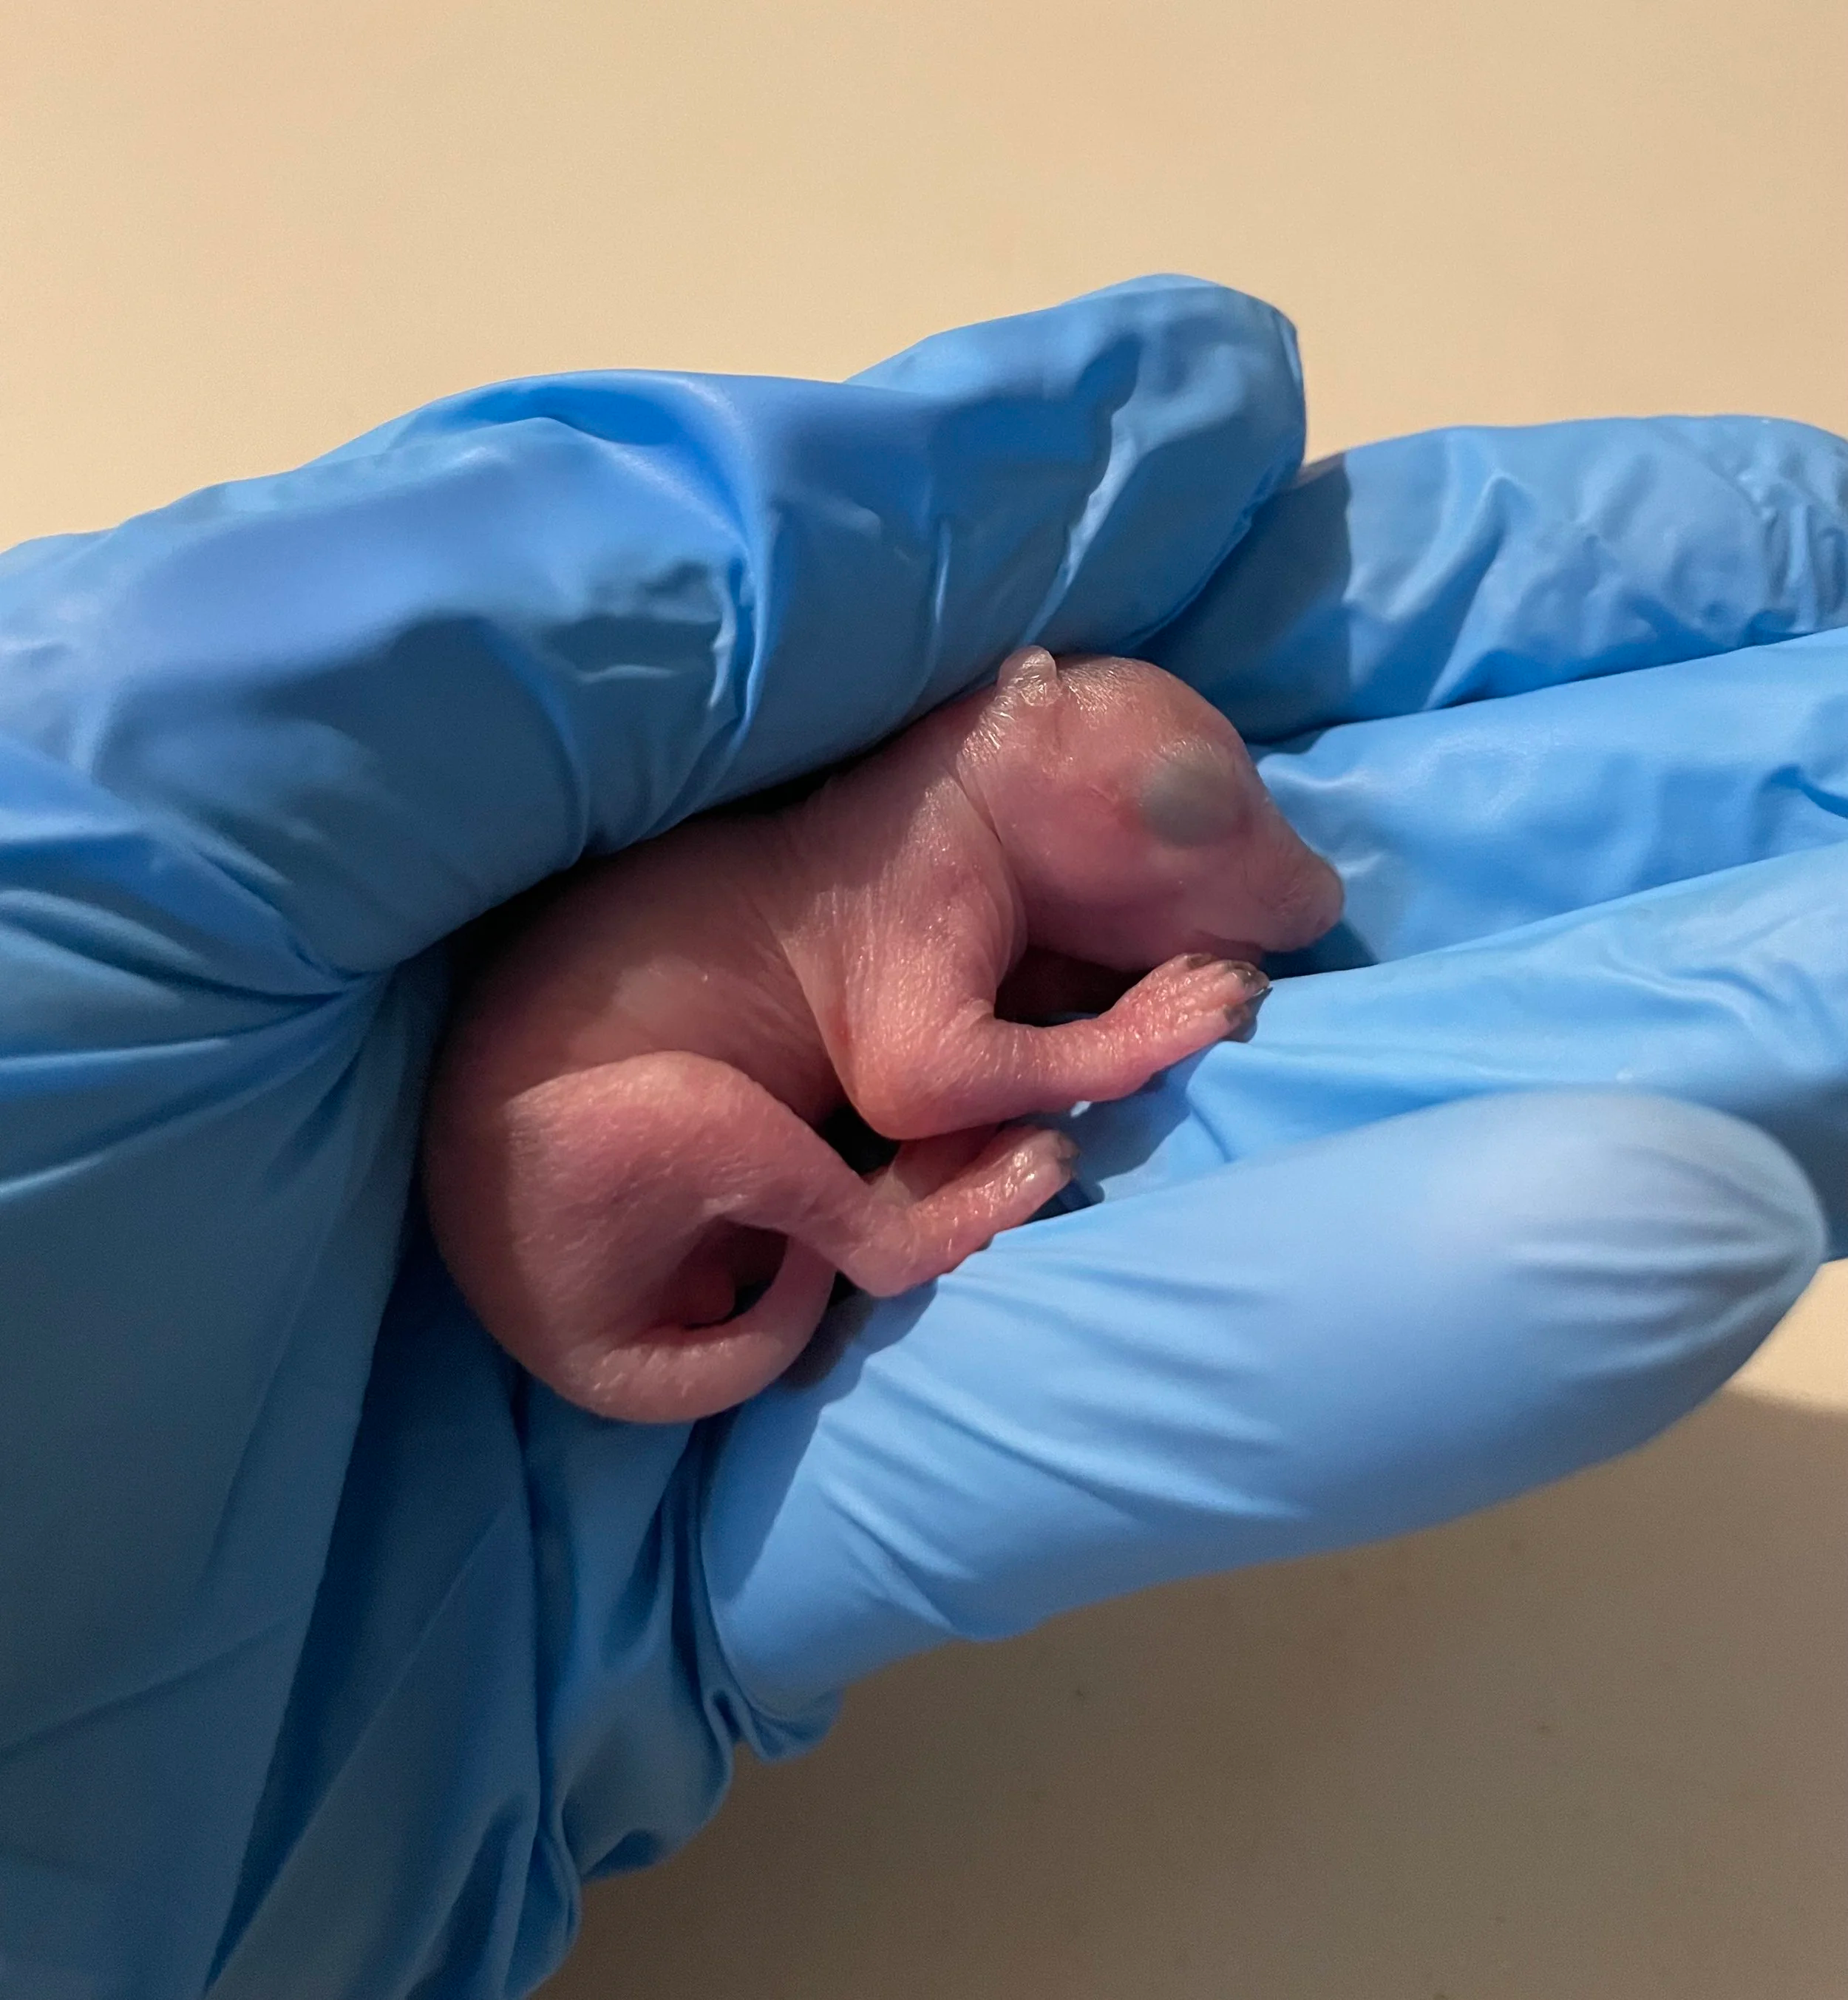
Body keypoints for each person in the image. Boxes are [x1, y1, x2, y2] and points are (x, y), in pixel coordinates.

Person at [0, 276, 1841, 2000]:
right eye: (1185, 835)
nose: (1256, 882)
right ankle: (876, 1247)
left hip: (593, 1186)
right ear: (1030, 759)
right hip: (587, 1183)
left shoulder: (951, 802)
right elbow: (908, 1077)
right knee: (803, 1136)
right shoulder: (922, 863)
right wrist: (1118, 1034)